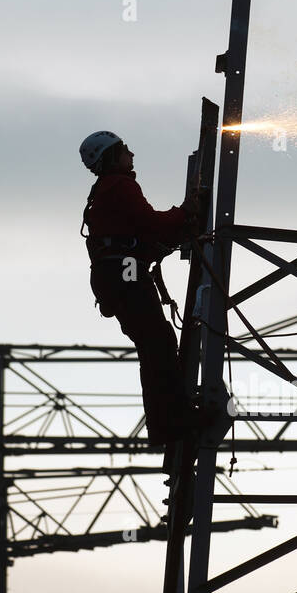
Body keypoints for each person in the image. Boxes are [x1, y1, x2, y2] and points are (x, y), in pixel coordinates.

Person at [79, 130, 198, 446]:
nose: (131, 153)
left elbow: (137, 234)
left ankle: (169, 422)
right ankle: (173, 421)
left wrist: (169, 235)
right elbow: (150, 223)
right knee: (158, 345)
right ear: (111, 157)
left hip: (116, 275)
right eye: (124, 149)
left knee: (154, 346)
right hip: (125, 275)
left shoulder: (106, 190)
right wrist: (186, 212)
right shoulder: (120, 185)